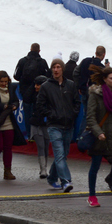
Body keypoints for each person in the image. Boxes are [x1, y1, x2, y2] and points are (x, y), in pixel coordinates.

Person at [85, 67, 112, 207]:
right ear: (104, 79)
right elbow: (90, 117)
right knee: (95, 167)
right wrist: (98, 132)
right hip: (100, 137)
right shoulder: (95, 94)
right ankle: (92, 195)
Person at [36, 58, 78, 192]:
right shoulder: (46, 86)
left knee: (63, 155)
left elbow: (77, 102)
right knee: (59, 154)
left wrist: (73, 114)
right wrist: (51, 114)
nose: (56, 69)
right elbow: (40, 105)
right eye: (54, 67)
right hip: (54, 125)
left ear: (62, 69)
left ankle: (52, 178)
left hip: (68, 125)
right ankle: (66, 181)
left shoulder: (70, 85)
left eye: (58, 67)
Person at [14, 43, 51, 178]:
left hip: (26, 92)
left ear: (30, 49)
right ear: (39, 50)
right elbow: (48, 76)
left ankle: (30, 135)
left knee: (29, 112)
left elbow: (16, 76)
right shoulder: (42, 62)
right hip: (42, 92)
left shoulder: (23, 61)